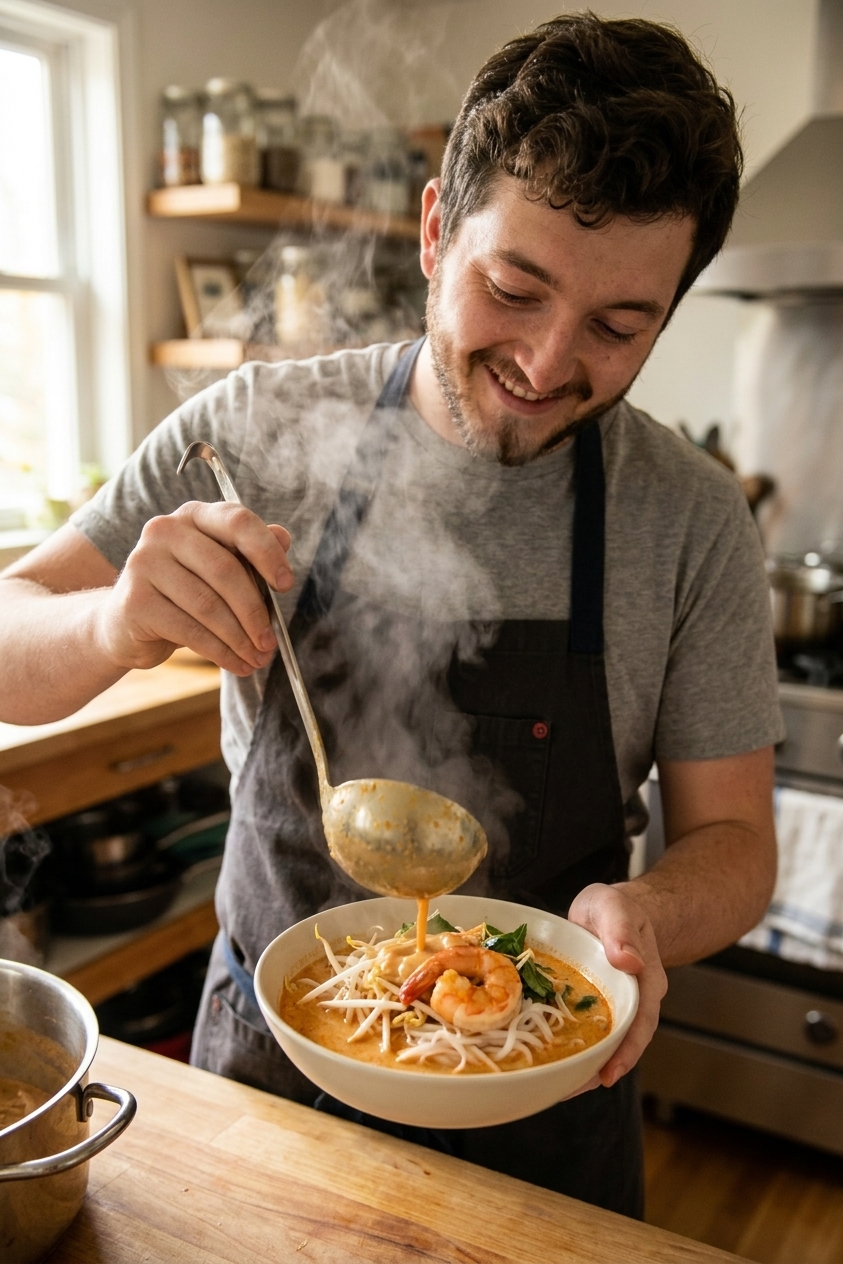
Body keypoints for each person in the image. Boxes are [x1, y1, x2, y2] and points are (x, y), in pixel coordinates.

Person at [0, 13, 782, 1217]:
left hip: (545, 1100)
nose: (545, 360)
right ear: (432, 232)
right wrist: (111, 625)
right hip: (268, 1085)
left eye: (620, 327)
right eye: (512, 288)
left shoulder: (691, 519)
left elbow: (734, 846)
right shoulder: (252, 430)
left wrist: (647, 913)